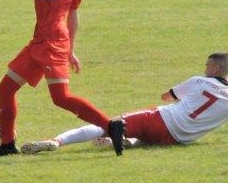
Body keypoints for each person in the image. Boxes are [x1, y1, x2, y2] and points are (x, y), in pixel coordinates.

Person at [0, 0, 124, 156]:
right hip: (37, 43)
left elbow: (73, 14)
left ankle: (111, 126)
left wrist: (71, 50)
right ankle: (7, 144)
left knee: (61, 98)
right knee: (6, 89)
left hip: (55, 44)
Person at [21, 52, 228, 154]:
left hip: (160, 119)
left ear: (216, 69)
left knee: (108, 124)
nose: (205, 69)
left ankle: (57, 141)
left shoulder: (199, 81)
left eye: (207, 66)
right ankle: (126, 141)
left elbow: (166, 96)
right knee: (146, 139)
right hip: (177, 140)